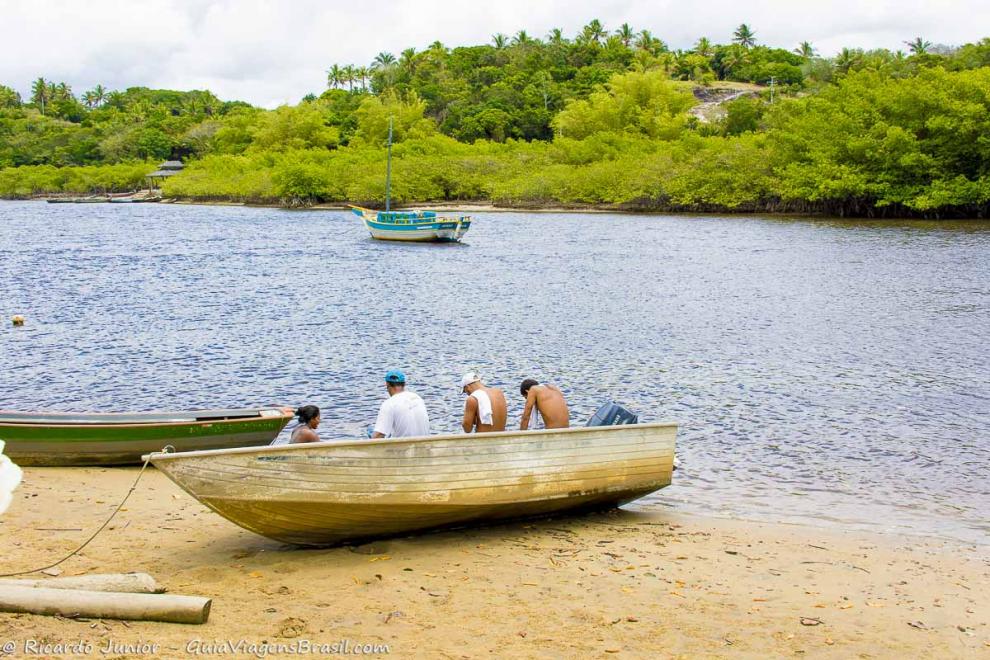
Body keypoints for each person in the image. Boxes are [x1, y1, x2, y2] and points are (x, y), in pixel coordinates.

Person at [372, 370, 430, 438]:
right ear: (404, 384)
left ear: (387, 385)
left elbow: (379, 435)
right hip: (424, 445)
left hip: (404, 447)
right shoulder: (417, 398)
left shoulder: (389, 404)